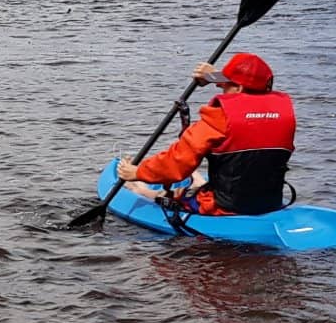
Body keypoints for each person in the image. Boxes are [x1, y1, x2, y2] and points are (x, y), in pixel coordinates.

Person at [116, 52, 296, 216]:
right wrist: (212, 76)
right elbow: (248, 86)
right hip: (269, 203)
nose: (221, 89)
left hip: (225, 208)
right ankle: (197, 179)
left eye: (224, 86)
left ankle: (144, 192)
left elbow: (176, 163)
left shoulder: (220, 117)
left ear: (238, 88)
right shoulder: (284, 114)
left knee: (170, 194)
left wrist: (137, 172)